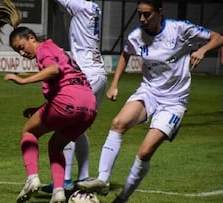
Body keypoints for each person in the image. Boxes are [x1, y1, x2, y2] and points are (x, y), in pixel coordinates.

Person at [77, 0, 223, 202]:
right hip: (149, 92)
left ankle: (122, 198)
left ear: (159, 13)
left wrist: (203, 50)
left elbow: (218, 38)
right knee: (118, 123)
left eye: (147, 14)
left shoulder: (180, 29)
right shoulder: (136, 36)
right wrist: (114, 84)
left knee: (145, 151)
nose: (142, 19)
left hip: (174, 100)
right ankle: (102, 179)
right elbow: (125, 54)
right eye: (140, 15)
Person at [0, 0, 97, 202]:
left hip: (69, 100)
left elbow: (54, 70)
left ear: (31, 38)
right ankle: (58, 192)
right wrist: (39, 109)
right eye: (17, 51)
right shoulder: (56, 49)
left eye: (22, 47)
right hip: (89, 106)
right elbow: (64, 80)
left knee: (28, 132)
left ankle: (32, 179)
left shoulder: (44, 50)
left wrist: (23, 80)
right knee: (56, 146)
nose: (22, 53)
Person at [41, 0, 107, 193]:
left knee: (66, 125)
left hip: (86, 73)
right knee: (79, 127)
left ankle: (66, 180)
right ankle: (84, 177)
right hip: (98, 72)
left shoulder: (81, 6)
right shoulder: (94, 7)